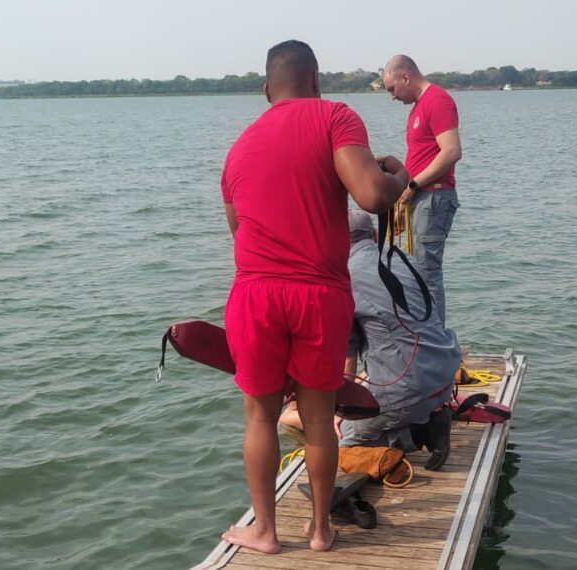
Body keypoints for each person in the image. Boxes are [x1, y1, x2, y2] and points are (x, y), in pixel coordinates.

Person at [220, 40, 408, 554]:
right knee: (321, 419)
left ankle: (264, 531)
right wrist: (399, 177)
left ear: (267, 90)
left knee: (259, 417)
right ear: (316, 80)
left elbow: (238, 232)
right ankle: (321, 530)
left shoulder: (238, 148)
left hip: (255, 293)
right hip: (319, 294)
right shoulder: (334, 118)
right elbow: (372, 194)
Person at [280, 209, 461, 470]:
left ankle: (417, 435)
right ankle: (425, 420)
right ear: (375, 235)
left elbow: (347, 356)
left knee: (331, 439)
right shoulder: (402, 258)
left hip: (411, 387)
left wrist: (341, 412)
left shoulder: (344, 277)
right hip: (445, 372)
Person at [383, 54, 462, 326]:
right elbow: (421, 156)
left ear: (406, 77)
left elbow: (451, 151)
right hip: (419, 197)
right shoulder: (418, 107)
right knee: (418, 270)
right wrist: (404, 196)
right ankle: (428, 333)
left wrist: (414, 185)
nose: (392, 97)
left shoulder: (437, 101)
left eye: (392, 89)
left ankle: (438, 339)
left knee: (428, 273)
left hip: (433, 197)